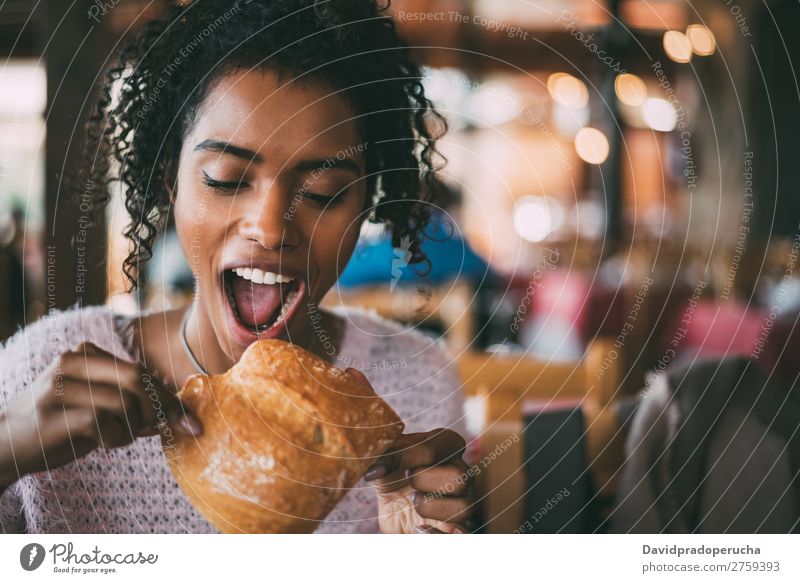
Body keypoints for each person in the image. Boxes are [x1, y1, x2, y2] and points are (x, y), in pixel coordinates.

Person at [0, 0, 470, 534]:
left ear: (367, 206)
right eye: (225, 179)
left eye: (323, 192)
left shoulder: (415, 382)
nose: (270, 228)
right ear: (169, 185)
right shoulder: (40, 371)